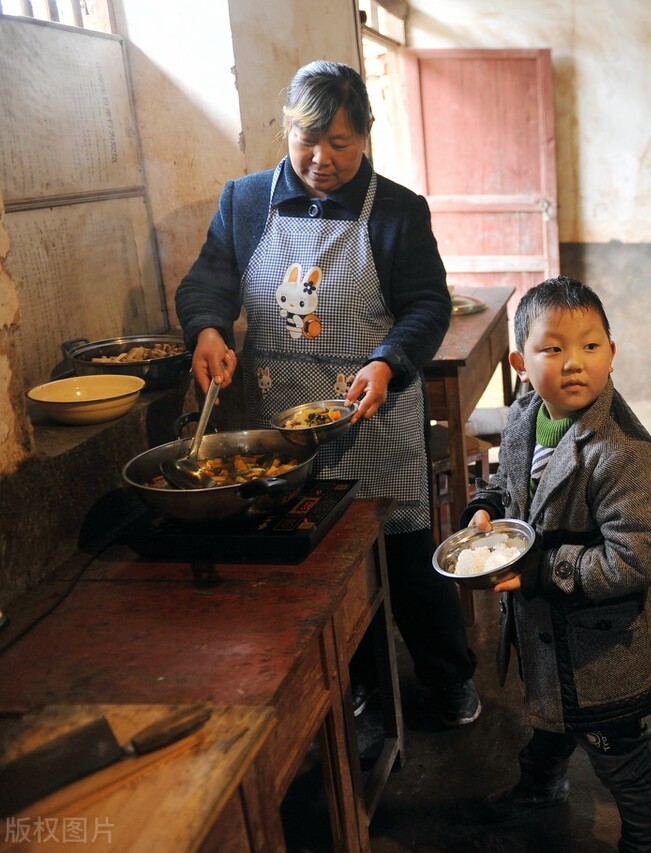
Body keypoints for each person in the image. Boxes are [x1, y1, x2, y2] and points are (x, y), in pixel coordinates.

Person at [175, 59, 480, 726]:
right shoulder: (245, 201)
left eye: (340, 144)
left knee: (405, 561)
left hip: (373, 418)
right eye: (306, 140)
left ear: (366, 136)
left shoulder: (397, 210)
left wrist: (389, 360)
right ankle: (363, 684)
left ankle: (449, 674)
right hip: (282, 430)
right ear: (286, 129)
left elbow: (426, 307)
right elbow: (208, 284)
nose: (321, 159)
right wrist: (206, 328)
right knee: (323, 568)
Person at [461, 276, 651, 852]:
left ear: (612, 352)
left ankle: (650, 844)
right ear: (521, 363)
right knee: (548, 720)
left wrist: (540, 568)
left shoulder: (625, 453)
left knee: (621, 758)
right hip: (543, 637)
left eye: (590, 346)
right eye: (552, 348)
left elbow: (638, 556)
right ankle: (541, 788)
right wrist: (485, 509)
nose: (574, 363)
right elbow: (510, 487)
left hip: (600, 651)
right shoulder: (525, 414)